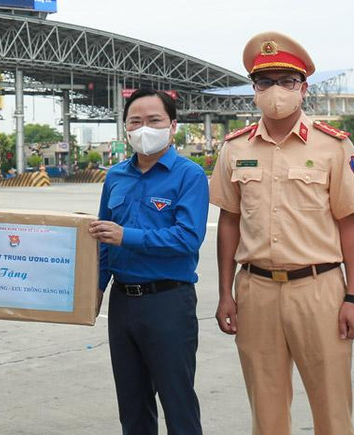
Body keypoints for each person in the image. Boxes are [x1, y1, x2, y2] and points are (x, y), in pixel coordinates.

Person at [209, 32, 354, 435]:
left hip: (319, 290)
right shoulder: (234, 148)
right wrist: (225, 292)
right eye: (265, 82)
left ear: (304, 88)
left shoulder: (334, 145)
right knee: (266, 409)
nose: (276, 91)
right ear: (254, 89)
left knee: (332, 408)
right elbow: (229, 221)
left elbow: (352, 225)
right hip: (256, 290)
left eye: (287, 81)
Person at [90, 89, 208, 435]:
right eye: (135, 121)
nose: (144, 128)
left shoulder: (189, 175)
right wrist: (96, 288)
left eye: (154, 120)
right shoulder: (115, 176)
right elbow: (103, 242)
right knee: (132, 403)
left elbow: (187, 238)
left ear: (173, 126)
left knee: (178, 401)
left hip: (168, 301)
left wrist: (127, 235)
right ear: (125, 127)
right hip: (123, 303)